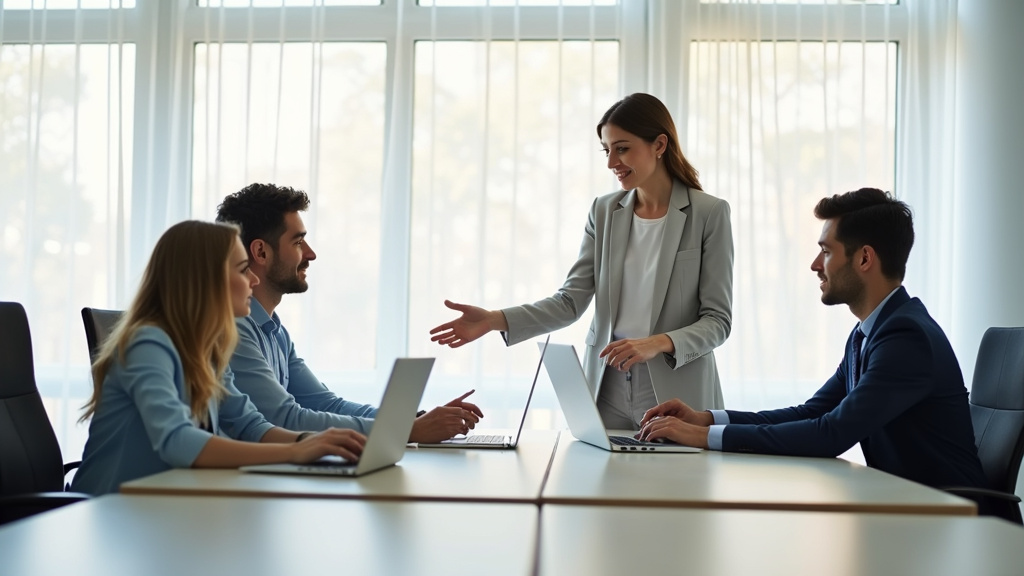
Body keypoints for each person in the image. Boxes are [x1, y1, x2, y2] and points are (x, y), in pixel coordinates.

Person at [638, 188, 987, 492]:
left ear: (865, 258)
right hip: (912, 510)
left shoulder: (906, 338)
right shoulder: (870, 332)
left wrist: (702, 439)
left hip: (954, 521)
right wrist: (708, 420)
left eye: (827, 251)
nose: (815, 264)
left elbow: (830, 433)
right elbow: (814, 412)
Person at [429, 92, 734, 429]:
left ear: (659, 145)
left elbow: (717, 321)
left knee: (673, 484)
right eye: (607, 150)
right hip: (606, 388)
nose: (611, 162)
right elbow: (570, 301)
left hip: (678, 392)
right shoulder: (603, 211)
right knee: (598, 482)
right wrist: (494, 319)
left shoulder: (709, 213)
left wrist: (657, 343)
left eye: (622, 148)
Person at [71, 221, 366, 495]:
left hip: (160, 508)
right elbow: (178, 441)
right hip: (108, 513)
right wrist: (295, 451)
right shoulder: (148, 342)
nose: (253, 280)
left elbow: (250, 426)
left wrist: (311, 442)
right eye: (242, 270)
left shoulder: (208, 349)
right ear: (203, 281)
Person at [215, 184, 483, 444]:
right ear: (261, 252)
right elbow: (284, 419)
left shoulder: (275, 331)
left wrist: (415, 420)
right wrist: (405, 429)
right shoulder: (236, 328)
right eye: (298, 242)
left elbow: (326, 403)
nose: (311, 254)